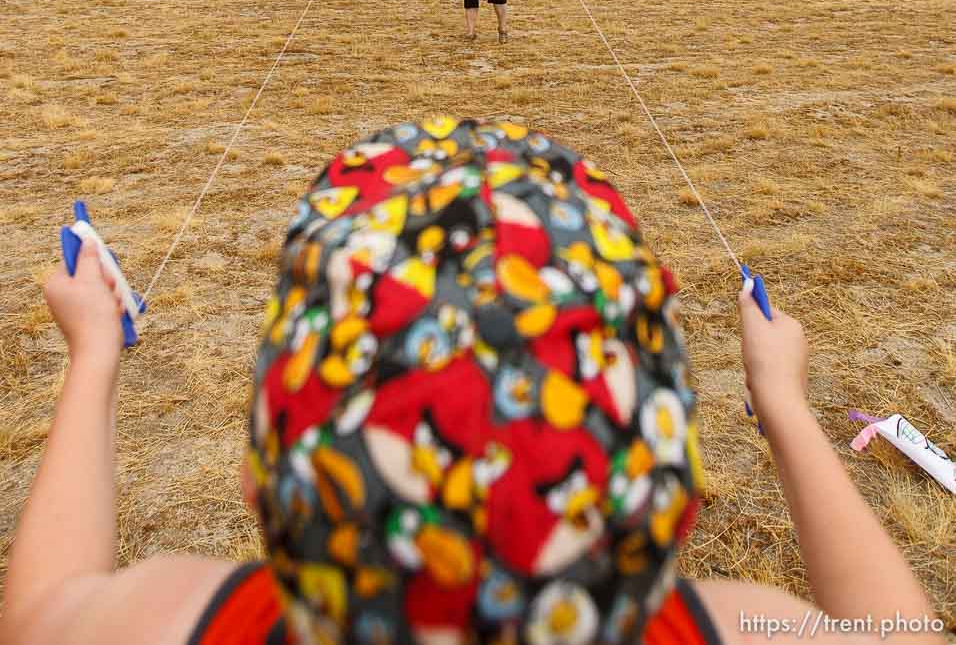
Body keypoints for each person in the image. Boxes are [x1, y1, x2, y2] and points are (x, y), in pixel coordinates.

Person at [0, 119, 939, 645]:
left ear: (261, 484)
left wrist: (94, 361)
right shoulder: (732, 629)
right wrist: (783, 409)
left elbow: (45, 607)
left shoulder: (179, 626)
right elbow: (902, 631)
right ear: (675, 496)